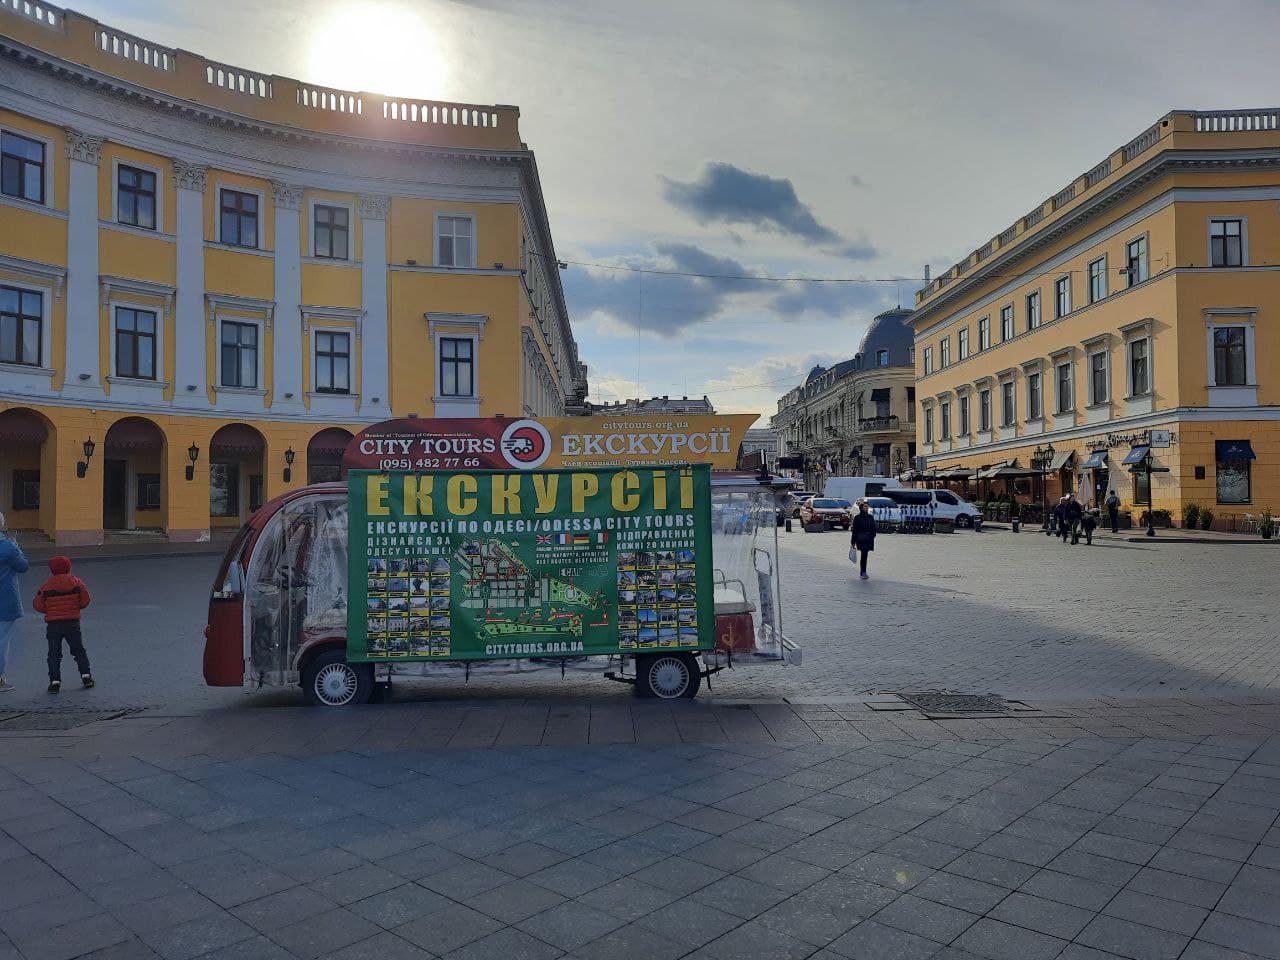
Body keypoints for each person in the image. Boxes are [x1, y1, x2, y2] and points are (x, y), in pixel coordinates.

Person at [33, 556, 93, 693]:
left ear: (52, 569)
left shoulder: (46, 585)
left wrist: (50, 611)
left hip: (54, 624)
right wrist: (75, 608)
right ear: (69, 567)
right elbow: (85, 600)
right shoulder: (77, 582)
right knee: (79, 650)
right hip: (72, 622)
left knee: (54, 653)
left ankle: (55, 682)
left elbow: (37, 604)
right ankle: (86, 676)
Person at [0, 512, 29, 694]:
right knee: (2, 640)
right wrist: (18, 547)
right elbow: (23, 566)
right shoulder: (8, 547)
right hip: (4, 600)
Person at [850, 499, 877, 580]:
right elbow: (854, 530)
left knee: (865, 555)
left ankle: (863, 572)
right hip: (861, 538)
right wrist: (853, 541)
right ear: (861, 507)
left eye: (867, 506)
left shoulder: (870, 517)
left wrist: (873, 535)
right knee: (864, 555)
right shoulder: (857, 517)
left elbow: (873, 528)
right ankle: (863, 572)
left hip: (869, 538)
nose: (867, 508)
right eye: (865, 506)